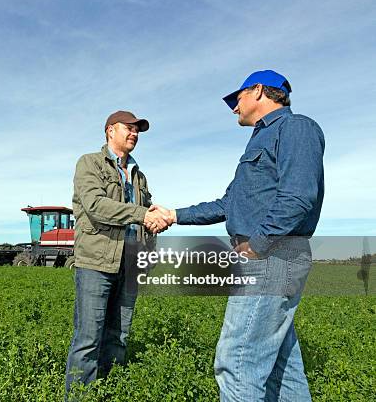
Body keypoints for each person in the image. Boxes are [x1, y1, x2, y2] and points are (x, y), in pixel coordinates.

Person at [151, 70, 324, 401]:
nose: (233, 108)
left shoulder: (295, 127)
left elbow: (299, 197)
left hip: (271, 257)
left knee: (236, 363)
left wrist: (256, 247)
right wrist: (174, 215)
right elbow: (227, 204)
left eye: (236, 98)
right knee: (281, 367)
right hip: (269, 258)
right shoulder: (259, 140)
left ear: (258, 90)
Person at [65, 110, 168, 396]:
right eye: (130, 128)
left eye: (138, 130)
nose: (135, 133)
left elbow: (146, 219)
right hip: (96, 262)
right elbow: (96, 206)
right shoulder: (90, 163)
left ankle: (110, 392)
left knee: (119, 336)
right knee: (88, 338)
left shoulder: (139, 175)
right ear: (110, 130)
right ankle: (79, 397)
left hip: (131, 262)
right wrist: (143, 214)